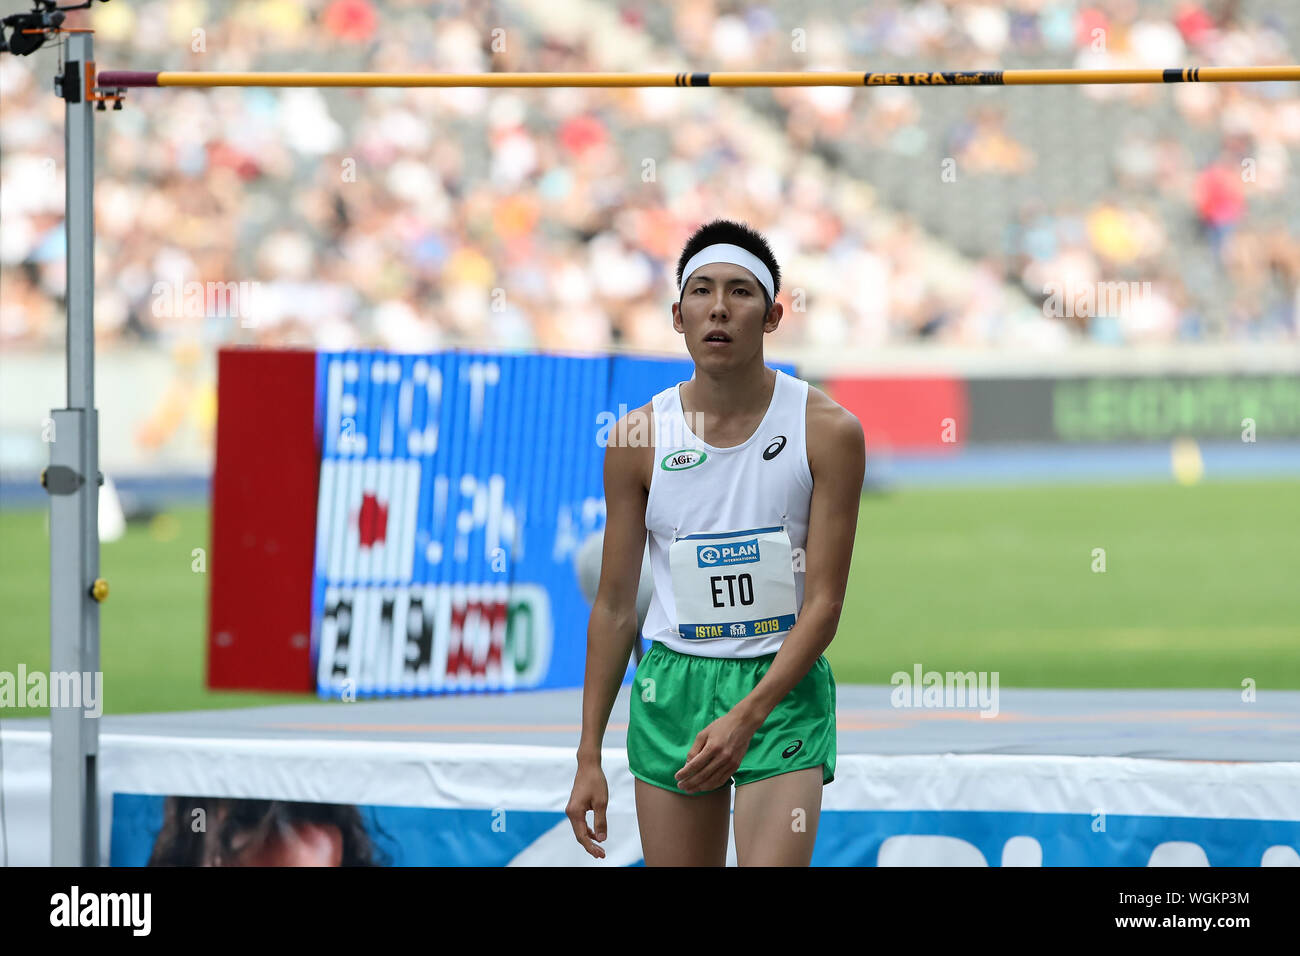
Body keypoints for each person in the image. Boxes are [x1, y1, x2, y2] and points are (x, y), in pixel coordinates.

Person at [566, 219, 865, 866]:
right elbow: (617, 609)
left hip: (781, 688)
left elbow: (825, 605)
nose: (720, 308)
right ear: (678, 315)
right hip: (673, 686)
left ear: (773, 314)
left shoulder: (829, 431)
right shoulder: (636, 439)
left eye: (740, 291)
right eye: (701, 292)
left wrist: (749, 713)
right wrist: (589, 754)